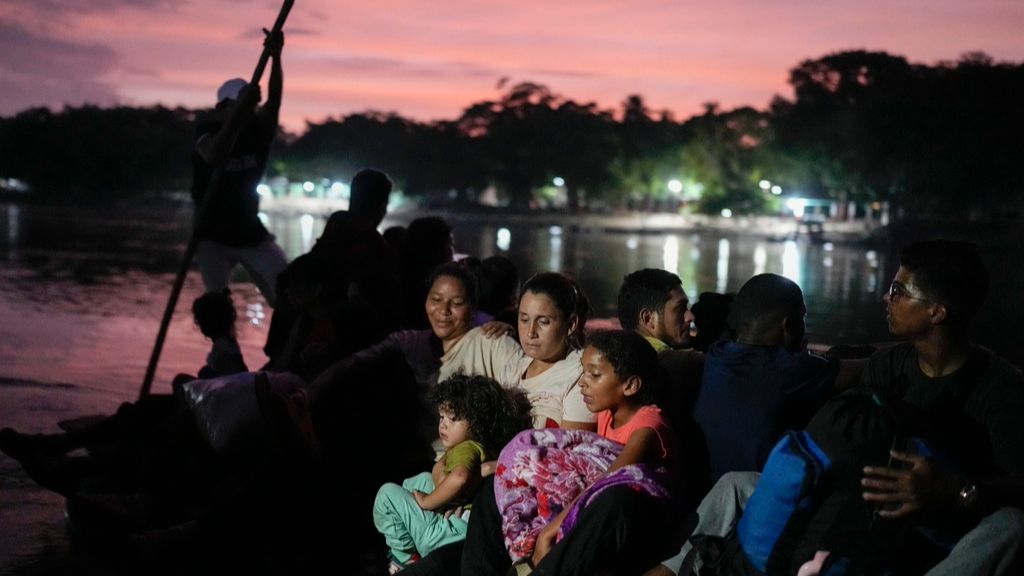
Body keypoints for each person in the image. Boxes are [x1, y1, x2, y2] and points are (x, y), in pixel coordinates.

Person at [858, 239, 1024, 574]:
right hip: (882, 523)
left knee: (1014, 524)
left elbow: (1020, 483)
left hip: (955, 537)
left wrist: (956, 491)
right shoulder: (886, 367)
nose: (886, 298)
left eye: (897, 290)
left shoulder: (1003, 389)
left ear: (937, 312)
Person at [467, 329, 678, 575]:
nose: (582, 382)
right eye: (583, 371)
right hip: (594, 504)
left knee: (614, 499)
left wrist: (554, 527)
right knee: (497, 485)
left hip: (638, 522)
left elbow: (613, 477)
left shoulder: (650, 420)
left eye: (595, 375)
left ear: (630, 385)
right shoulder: (606, 414)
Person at [373, 375, 527, 574]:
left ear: (477, 423)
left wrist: (427, 502)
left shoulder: (466, 448)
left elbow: (459, 477)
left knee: (386, 495)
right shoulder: (479, 449)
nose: (443, 425)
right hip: (459, 528)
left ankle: (404, 559)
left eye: (452, 419)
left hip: (447, 533)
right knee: (417, 481)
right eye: (441, 417)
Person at [190, 30, 288, 307]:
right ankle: (226, 347)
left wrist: (275, 56)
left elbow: (275, 101)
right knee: (218, 304)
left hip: (250, 234)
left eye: (250, 105)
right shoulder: (207, 129)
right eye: (236, 106)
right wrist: (238, 112)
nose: (246, 110)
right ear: (222, 108)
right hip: (211, 236)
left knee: (287, 291)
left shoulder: (259, 129)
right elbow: (214, 156)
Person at [192, 289, 247, 378]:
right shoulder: (228, 343)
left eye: (201, 321)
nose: (199, 324)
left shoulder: (223, 347)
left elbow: (230, 377)